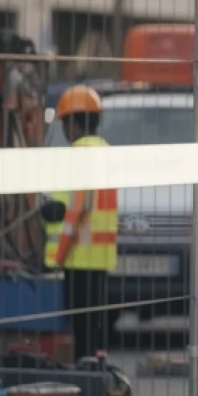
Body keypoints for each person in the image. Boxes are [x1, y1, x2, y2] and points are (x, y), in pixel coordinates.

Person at [41, 85, 118, 362]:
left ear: (72, 123)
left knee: (81, 330)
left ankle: (85, 384)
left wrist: (56, 256)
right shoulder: (107, 152)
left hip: (78, 257)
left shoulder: (77, 153)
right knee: (96, 329)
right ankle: (97, 374)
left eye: (64, 122)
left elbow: (78, 209)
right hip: (100, 258)